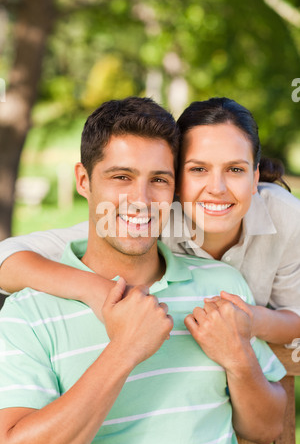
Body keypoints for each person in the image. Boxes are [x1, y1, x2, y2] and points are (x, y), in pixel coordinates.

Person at [0, 97, 287, 444]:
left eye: (159, 180)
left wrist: (240, 360)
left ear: (175, 189)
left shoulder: (223, 285)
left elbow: (266, 430)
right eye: (121, 177)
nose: (141, 198)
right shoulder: (28, 314)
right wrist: (124, 351)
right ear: (83, 180)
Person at [1, 98, 299, 345]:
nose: (217, 188)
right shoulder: (151, 218)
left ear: (255, 177)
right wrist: (95, 290)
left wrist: (250, 319)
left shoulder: (283, 215)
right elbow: (7, 259)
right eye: (198, 169)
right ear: (176, 179)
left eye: (235, 169)